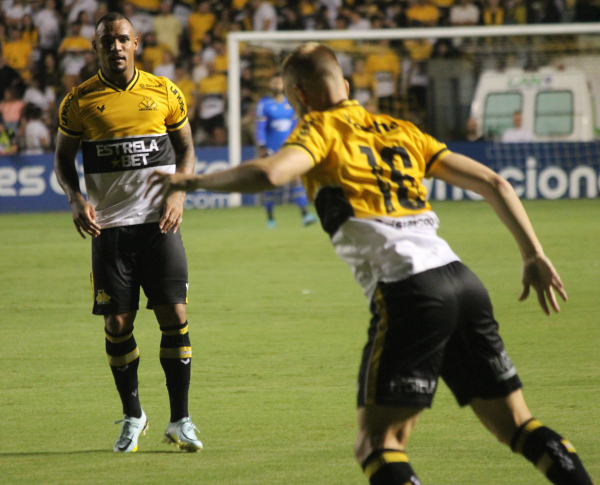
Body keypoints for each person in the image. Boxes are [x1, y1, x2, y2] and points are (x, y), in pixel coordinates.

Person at [147, 43, 595, 485]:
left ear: (300, 95)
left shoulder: (319, 128)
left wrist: (192, 179)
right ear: (344, 84)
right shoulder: (401, 129)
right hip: (463, 281)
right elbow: (494, 182)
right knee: (517, 424)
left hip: (410, 291)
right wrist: (533, 253)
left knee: (378, 445)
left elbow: (271, 173)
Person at [54, 12, 202, 454]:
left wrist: (179, 194)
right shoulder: (79, 101)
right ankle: (133, 415)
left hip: (160, 224)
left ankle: (181, 419)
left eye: (122, 39)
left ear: (136, 43)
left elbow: (187, 149)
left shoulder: (164, 91)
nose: (115, 47)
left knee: (174, 317)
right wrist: (76, 199)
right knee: (118, 323)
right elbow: (63, 161)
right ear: (96, 48)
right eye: (106, 41)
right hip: (111, 230)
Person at [255, 73, 317, 228]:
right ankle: (270, 218)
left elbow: (296, 127)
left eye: (279, 82)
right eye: (274, 82)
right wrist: (262, 146)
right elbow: (260, 128)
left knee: (296, 178)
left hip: (288, 149)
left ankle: (305, 214)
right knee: (271, 182)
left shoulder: (290, 104)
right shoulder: (264, 104)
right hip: (271, 149)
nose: (277, 85)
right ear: (270, 85)